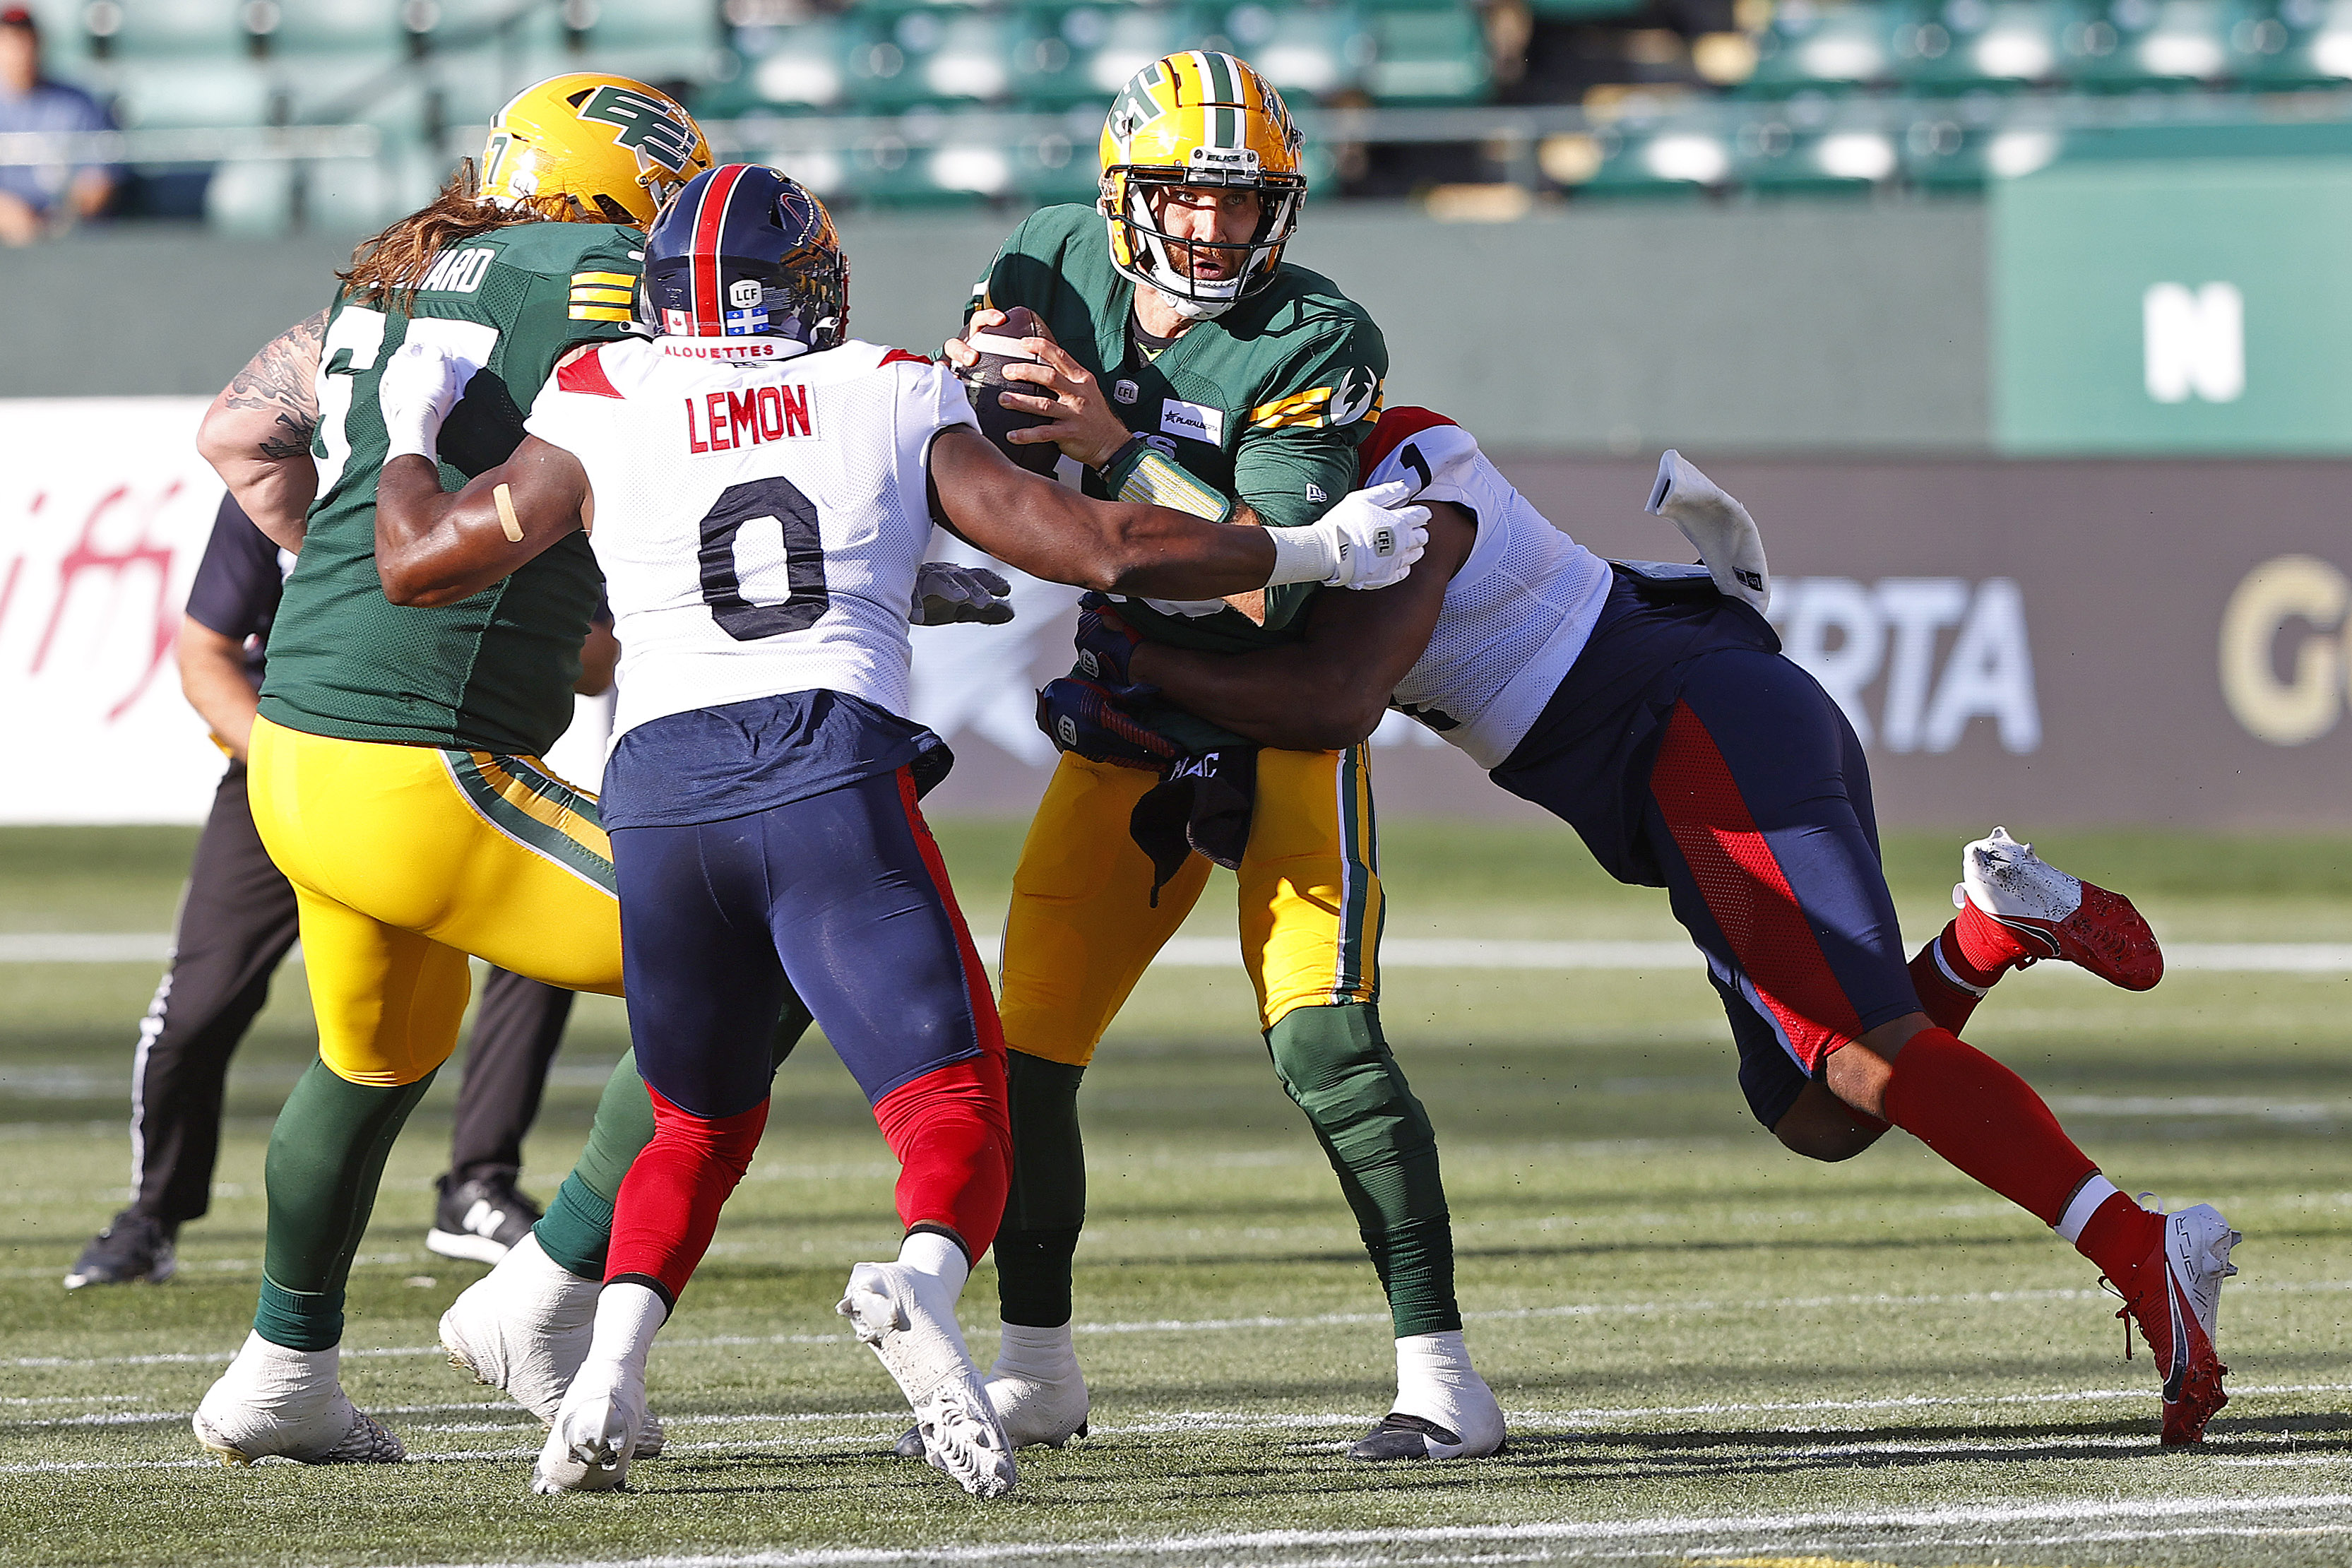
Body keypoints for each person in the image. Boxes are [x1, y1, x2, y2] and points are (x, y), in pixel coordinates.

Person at [367, 163, 1428, 1496]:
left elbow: (420, 562)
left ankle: (607, 1372)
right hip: (819, 773)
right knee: (958, 1113)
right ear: (809, 284)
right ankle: (923, 1285)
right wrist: (1313, 554)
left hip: (661, 794)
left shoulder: (602, 393)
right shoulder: (884, 384)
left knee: (692, 1121)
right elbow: (1092, 545)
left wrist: (413, 424)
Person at [1097, 405, 2243, 1447]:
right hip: (1701, 742)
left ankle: (2141, 1246)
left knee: (1870, 1056)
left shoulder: (1407, 470)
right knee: (1816, 1114)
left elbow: (1335, 698)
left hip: (1703, 733)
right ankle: (1989, 936)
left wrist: (1139, 657)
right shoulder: (1279, 529)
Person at [931, 47, 1501, 1463]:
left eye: (1238, 203)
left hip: (1275, 724)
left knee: (1326, 1045)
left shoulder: (1318, 338)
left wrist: (1117, 447)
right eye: (1184, 196)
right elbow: (977, 439)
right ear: (1125, 196)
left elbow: (1273, 587)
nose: (1207, 228)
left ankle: (1444, 1378)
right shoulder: (1047, 264)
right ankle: (1038, 1362)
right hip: (1129, 722)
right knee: (1029, 1054)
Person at [183, 73, 725, 1468]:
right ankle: (541, 1296)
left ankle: (278, 1372)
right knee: (752, 947)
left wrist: (341, 564)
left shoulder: (395, 275)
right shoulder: (607, 271)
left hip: (300, 742)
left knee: (371, 1060)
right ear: (620, 188)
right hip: (418, 761)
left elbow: (238, 438)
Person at [61, 497, 610, 1290]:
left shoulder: (527, 478)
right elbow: (204, 652)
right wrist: (304, 763)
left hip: (459, 772)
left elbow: (598, 658)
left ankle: (478, 1183)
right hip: (292, 774)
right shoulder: (300, 474)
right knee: (200, 1006)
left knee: (546, 947)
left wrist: (507, 601)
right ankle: (153, 1214)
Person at [0, 5, 116, 245]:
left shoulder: (76, 104)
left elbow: (99, 179)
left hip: (69, 239)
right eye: (10, 42)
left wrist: (64, 216)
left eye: (26, 41)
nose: (20, 52)